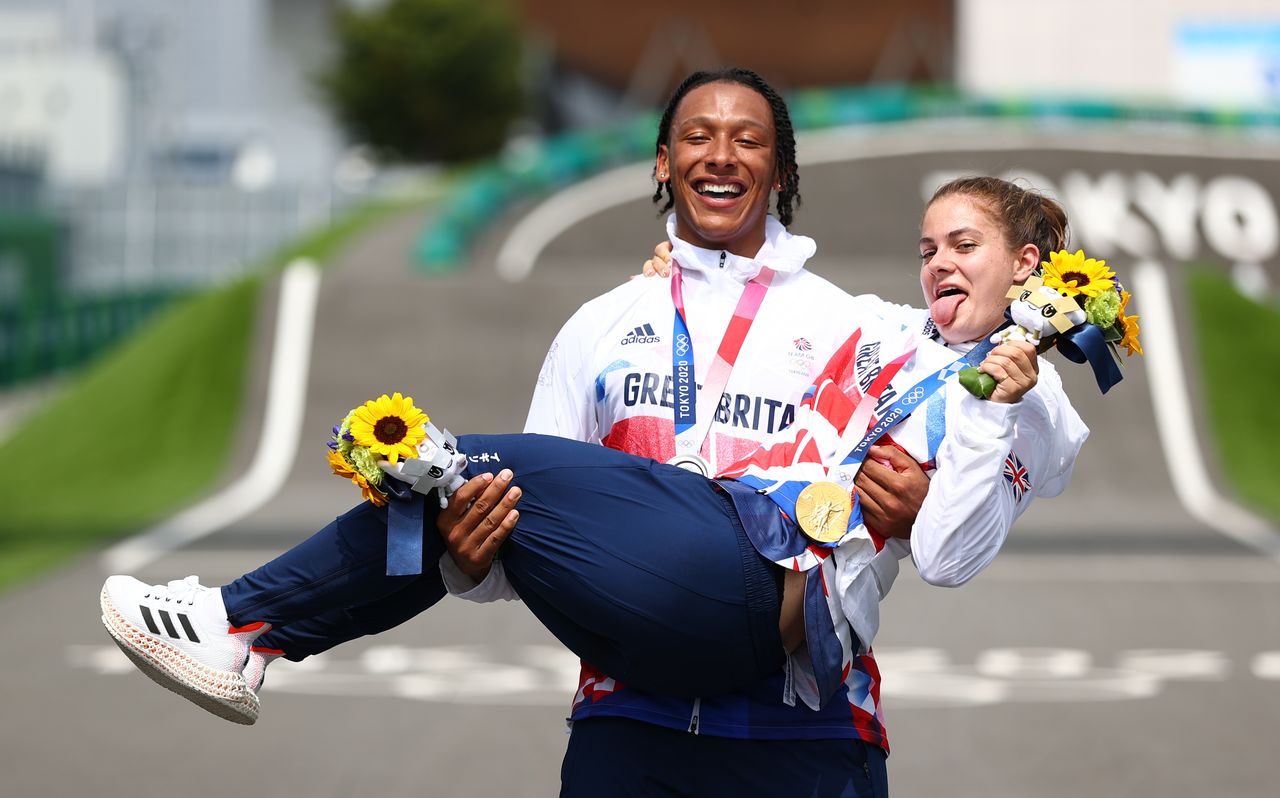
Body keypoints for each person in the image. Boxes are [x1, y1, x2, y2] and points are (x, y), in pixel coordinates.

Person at [100, 69, 1087, 798]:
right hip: (630, 713)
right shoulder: (603, 327)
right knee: (464, 486)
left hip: (805, 719)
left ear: (782, 170)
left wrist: (1015, 383)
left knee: (464, 463)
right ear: (661, 162)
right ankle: (246, 634)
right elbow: (519, 552)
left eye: (747, 139)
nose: (720, 155)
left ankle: (245, 629)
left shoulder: (855, 323)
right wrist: (472, 559)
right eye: (696, 136)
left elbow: (968, 449)